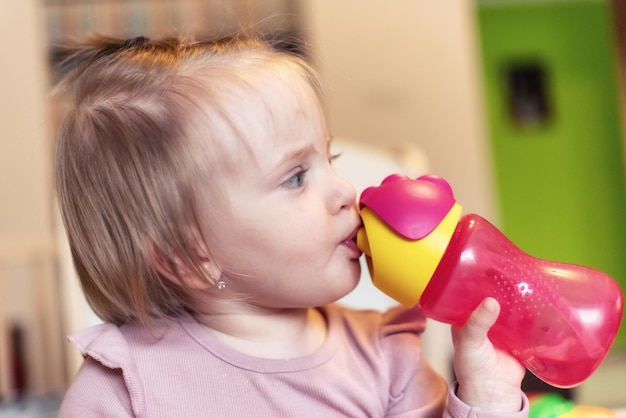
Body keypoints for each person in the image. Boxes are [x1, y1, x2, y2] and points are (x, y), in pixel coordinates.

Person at [54, 34, 528, 417]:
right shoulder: (125, 386)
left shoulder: (386, 360)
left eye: (330, 158)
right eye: (296, 178)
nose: (347, 191)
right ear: (188, 255)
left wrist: (486, 399)